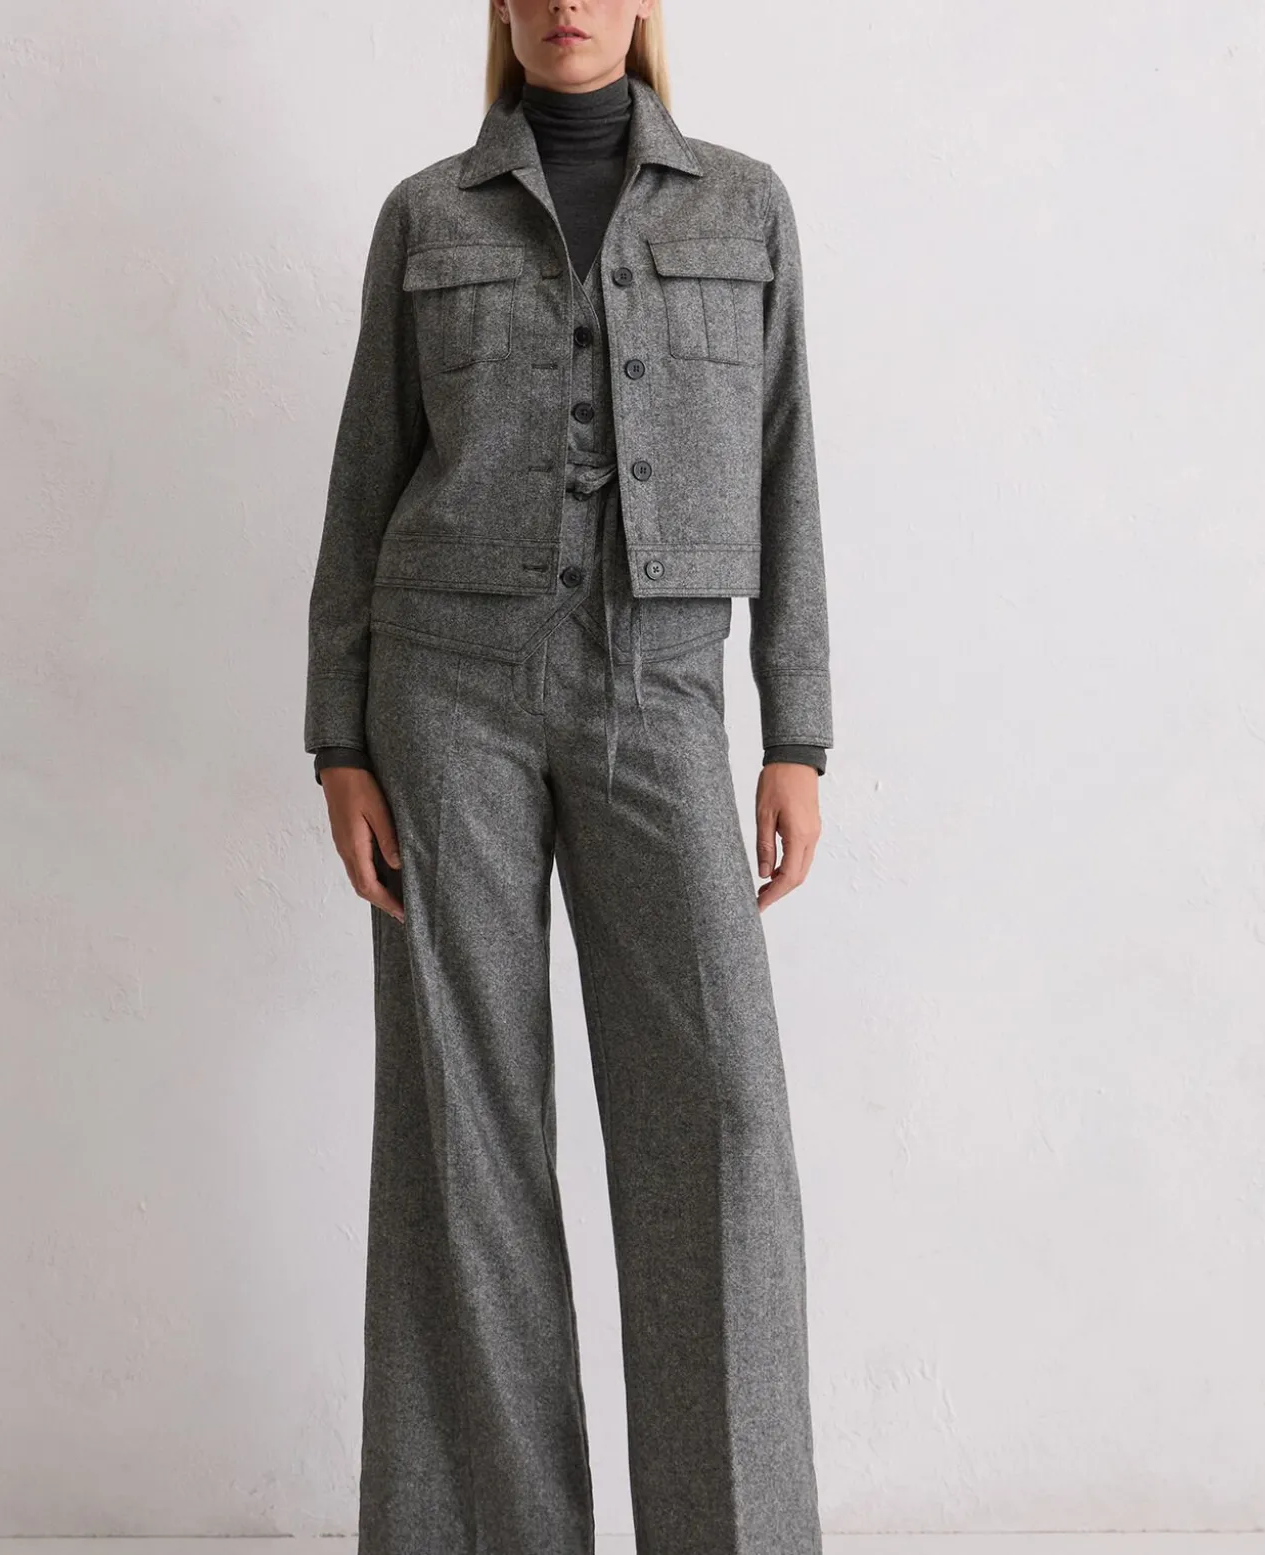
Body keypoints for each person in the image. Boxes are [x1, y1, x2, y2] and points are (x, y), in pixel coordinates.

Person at [303, 3, 832, 1551]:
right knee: (463, 1134)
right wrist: (341, 738)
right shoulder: (427, 216)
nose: (566, 2)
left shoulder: (745, 205)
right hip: (445, 688)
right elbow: (364, 479)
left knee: (722, 1119)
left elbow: (790, 465)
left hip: (662, 686)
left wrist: (795, 728)